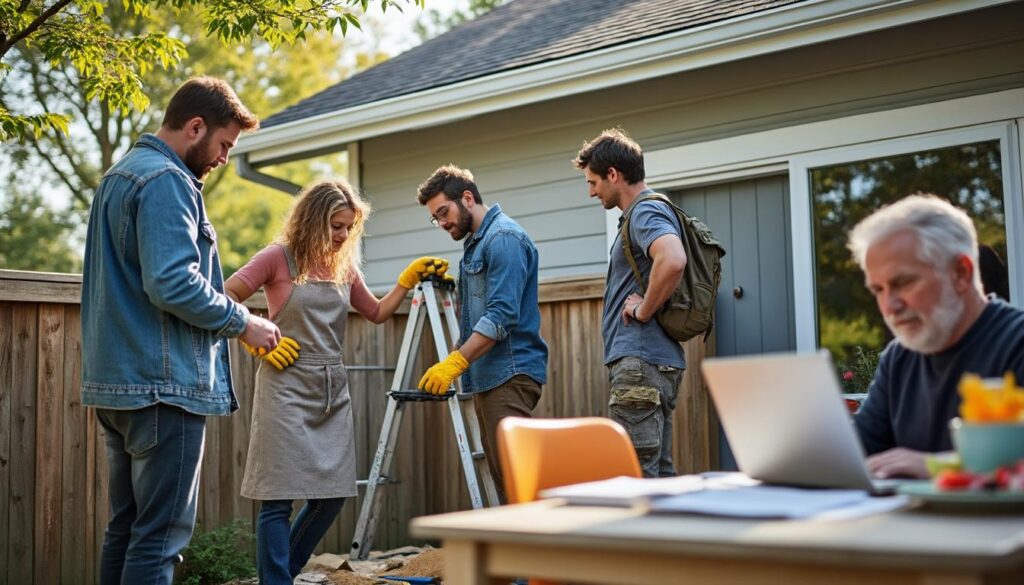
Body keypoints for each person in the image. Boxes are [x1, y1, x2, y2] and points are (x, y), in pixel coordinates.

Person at [81, 77, 283, 584]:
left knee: (126, 531)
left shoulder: (119, 175)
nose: (221, 159)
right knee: (160, 539)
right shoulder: (166, 181)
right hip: (161, 388)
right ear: (195, 127)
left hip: (120, 385)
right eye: (222, 145)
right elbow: (172, 282)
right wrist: (243, 322)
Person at [226, 179, 448, 584]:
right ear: (312, 220)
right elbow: (225, 296)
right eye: (336, 226)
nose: (343, 235)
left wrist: (405, 280)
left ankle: (281, 574)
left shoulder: (345, 266)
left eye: (349, 227)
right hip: (285, 384)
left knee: (331, 496)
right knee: (277, 499)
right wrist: (253, 339)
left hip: (331, 388)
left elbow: (377, 313)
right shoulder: (279, 258)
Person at [848, 194, 1024, 479]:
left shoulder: (1016, 341)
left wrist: (936, 465)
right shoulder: (898, 357)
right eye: (878, 290)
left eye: (902, 282)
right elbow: (856, 453)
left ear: (961, 273)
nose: (889, 306)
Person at [416, 165, 548, 502]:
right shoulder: (476, 244)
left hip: (509, 374)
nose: (441, 223)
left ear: (468, 197)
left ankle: (537, 554)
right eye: (435, 218)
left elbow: (501, 316)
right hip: (490, 376)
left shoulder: (503, 238)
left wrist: (454, 362)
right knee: (508, 484)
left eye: (443, 212)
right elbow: (477, 316)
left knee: (520, 484)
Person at [573, 128, 687, 478]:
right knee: (658, 479)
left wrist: (643, 309)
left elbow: (673, 258)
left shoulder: (643, 213)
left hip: (639, 363)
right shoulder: (649, 212)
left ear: (613, 175)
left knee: (634, 476)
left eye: (593, 182)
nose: (591, 191)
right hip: (657, 361)